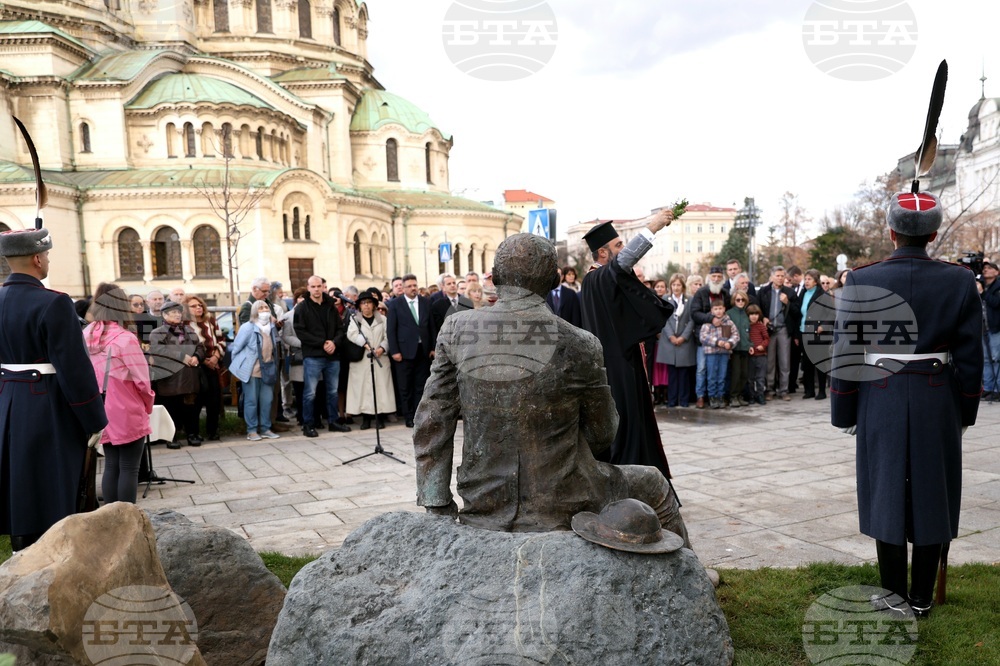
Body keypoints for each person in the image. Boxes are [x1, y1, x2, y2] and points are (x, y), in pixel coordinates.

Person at [413, 233, 690, 549]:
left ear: (497, 277)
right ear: (554, 280)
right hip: (562, 497)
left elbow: (431, 420)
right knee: (653, 482)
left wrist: (437, 504)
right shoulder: (581, 343)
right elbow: (603, 433)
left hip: (483, 498)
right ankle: (686, 569)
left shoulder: (456, 328)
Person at [831, 191, 983, 617]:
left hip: (881, 395)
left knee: (886, 492)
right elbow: (971, 358)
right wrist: (965, 411)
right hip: (938, 397)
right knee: (934, 491)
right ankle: (920, 599)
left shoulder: (861, 279)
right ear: (933, 235)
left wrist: (844, 411)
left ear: (891, 232)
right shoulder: (959, 280)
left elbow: (846, 352)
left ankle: (894, 596)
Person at [0, 227, 108, 551]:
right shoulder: (55, 303)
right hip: (47, 404)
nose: (47, 260)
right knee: (52, 484)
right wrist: (94, 419)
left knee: (19, 479)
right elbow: (74, 369)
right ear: (37, 259)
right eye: (46, 255)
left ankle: (21, 547)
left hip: (7, 401)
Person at [579, 210, 675, 478]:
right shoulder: (597, 278)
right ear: (602, 253)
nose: (622, 249)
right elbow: (623, 263)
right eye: (618, 245)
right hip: (617, 371)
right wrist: (652, 228)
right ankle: (629, 482)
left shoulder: (600, 281)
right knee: (625, 431)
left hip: (623, 364)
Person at [84, 286, 154, 504]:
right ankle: (125, 518)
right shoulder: (125, 338)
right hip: (126, 407)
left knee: (111, 465)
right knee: (129, 468)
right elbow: (142, 380)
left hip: (99, 406)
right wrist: (148, 403)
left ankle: (109, 517)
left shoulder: (85, 335)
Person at [295, 276, 351, 437]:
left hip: (332, 355)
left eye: (319, 286)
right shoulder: (302, 307)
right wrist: (322, 343)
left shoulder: (330, 305)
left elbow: (340, 329)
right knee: (310, 392)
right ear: (308, 288)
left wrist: (334, 342)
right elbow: (301, 332)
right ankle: (308, 424)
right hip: (313, 355)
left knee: (332, 391)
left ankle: (333, 421)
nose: (316, 289)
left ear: (323, 287)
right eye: (313, 286)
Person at [149, 300, 204, 448]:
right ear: (164, 315)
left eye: (179, 312)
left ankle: (192, 434)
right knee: (171, 408)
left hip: (190, 376)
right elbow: (158, 351)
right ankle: (171, 437)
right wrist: (181, 356)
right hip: (170, 378)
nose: (177, 315)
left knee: (191, 408)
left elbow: (200, 347)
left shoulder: (189, 331)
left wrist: (197, 357)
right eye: (173, 312)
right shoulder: (157, 333)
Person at [386, 273, 435, 428]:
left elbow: (431, 326)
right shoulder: (395, 304)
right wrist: (394, 351)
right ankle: (408, 416)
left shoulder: (425, 302)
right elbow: (391, 330)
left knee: (421, 385)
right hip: (404, 352)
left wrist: (433, 347)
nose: (413, 288)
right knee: (405, 386)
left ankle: (418, 416)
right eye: (409, 286)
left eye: (415, 285)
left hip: (423, 351)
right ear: (403, 288)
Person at [229, 300, 281, 441]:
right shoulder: (247, 327)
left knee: (267, 400)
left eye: (266, 307)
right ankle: (251, 430)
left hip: (268, 369)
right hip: (251, 370)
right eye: (260, 308)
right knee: (251, 401)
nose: (264, 310)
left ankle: (265, 428)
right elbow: (236, 348)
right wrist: (239, 367)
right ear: (254, 311)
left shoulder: (271, 327)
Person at [346, 289, 396, 430]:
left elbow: (388, 336)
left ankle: (380, 417)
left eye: (369, 302)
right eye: (363, 303)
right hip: (363, 358)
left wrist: (381, 348)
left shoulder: (383, 319)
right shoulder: (355, 319)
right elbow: (351, 334)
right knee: (364, 389)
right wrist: (365, 344)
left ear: (374, 305)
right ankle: (366, 419)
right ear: (359, 306)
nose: (366, 305)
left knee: (380, 388)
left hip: (380, 357)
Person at [689, 265, 730, 409]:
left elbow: (728, 314)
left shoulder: (725, 293)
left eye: (719, 276)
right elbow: (694, 313)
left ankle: (718, 396)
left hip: (722, 338)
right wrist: (711, 318)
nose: (716, 279)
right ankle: (700, 396)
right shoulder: (701, 292)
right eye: (714, 276)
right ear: (709, 277)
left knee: (720, 369)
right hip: (704, 337)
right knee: (702, 368)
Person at [187, 294, 226, 440]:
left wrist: (215, 357)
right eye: (194, 306)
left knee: (214, 400)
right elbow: (187, 347)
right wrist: (204, 360)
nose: (198, 308)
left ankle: (213, 431)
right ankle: (194, 433)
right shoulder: (185, 325)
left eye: (200, 305)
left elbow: (221, 340)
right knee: (195, 402)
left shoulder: (211, 321)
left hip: (214, 365)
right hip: (196, 367)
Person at [758, 265, 797, 401]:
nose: (780, 278)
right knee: (770, 362)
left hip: (783, 329)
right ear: (772, 277)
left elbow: (797, 311)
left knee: (784, 361)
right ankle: (769, 390)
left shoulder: (790, 292)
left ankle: (784, 390)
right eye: (777, 276)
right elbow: (757, 308)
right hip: (768, 330)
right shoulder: (763, 291)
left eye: (782, 276)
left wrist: (787, 302)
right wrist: (763, 317)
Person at [656, 274, 695, 408]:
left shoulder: (689, 300)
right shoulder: (666, 299)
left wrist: (683, 337)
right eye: (674, 285)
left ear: (683, 287)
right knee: (672, 373)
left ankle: (684, 400)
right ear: (670, 286)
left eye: (678, 285)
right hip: (669, 341)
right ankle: (672, 400)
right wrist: (671, 336)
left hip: (684, 341)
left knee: (684, 373)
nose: (676, 287)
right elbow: (664, 319)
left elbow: (691, 320)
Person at [699, 300, 739, 409]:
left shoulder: (729, 322)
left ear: (724, 309)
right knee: (712, 376)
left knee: (722, 376)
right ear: (712, 310)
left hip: (724, 353)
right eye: (716, 309)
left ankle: (720, 396)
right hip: (711, 353)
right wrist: (716, 342)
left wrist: (730, 343)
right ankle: (712, 397)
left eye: (720, 308)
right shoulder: (708, 323)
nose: (718, 311)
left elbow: (736, 335)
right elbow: (703, 337)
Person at [797, 269, 827, 400]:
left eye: (809, 279)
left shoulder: (823, 295)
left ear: (816, 281)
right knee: (807, 363)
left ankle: (822, 391)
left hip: (817, 333)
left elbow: (831, 313)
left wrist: (823, 326)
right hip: (804, 331)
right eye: (805, 279)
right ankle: (809, 391)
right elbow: (799, 312)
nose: (806, 281)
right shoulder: (803, 293)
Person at [280, 288, 308, 424]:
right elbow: (285, 336)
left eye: (305, 297)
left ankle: (314, 417)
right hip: (297, 356)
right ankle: (301, 417)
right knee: (299, 388)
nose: (302, 300)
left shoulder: (312, 313)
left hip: (313, 355)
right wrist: (303, 343)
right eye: (300, 297)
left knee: (313, 389)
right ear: (296, 299)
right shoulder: (288, 316)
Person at [727, 290, 751, 407]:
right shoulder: (729, 314)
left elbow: (749, 332)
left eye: (743, 300)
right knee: (736, 374)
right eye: (738, 300)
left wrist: (750, 345)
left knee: (744, 374)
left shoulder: (747, 313)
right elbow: (726, 332)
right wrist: (728, 346)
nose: (740, 302)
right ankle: (733, 396)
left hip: (745, 348)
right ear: (734, 301)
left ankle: (740, 395)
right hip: (734, 349)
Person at [981, 261, 999, 399]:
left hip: (996, 328)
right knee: (986, 359)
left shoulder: (998, 287)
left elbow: (996, 303)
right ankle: (987, 388)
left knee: (996, 359)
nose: (985, 270)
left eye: (989, 268)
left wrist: (983, 293)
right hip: (983, 329)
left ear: (996, 272)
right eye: (984, 268)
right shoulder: (979, 285)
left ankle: (997, 390)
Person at [746, 304, 770, 405]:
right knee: (750, 377)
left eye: (756, 314)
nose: (754, 316)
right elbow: (745, 339)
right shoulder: (746, 326)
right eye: (751, 314)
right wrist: (748, 347)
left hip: (761, 355)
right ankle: (751, 395)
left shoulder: (761, 326)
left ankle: (760, 394)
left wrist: (763, 345)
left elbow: (767, 339)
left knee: (760, 377)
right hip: (750, 356)